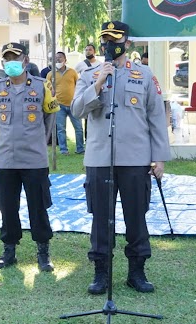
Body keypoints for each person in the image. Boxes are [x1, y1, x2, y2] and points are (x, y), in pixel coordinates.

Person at [71, 21, 171, 294]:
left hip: (135, 158)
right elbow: (77, 110)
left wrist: (159, 157)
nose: (108, 45)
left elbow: (156, 117)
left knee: (136, 217)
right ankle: (101, 273)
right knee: (101, 219)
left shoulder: (145, 74)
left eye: (115, 40)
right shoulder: (89, 74)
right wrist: (99, 83)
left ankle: (136, 272)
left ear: (127, 44)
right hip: (100, 159)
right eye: (105, 40)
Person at [0, 42, 60, 272]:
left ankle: (43, 251)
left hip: (34, 159)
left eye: (15, 57)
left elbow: (50, 118)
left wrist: (38, 141)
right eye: (7, 58)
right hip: (6, 159)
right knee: (7, 207)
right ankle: (9, 250)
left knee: (38, 206)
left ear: (25, 60)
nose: (11, 62)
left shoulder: (42, 86)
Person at [47, 51, 83, 155]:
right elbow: (47, 88)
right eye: (56, 58)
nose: (58, 59)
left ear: (65, 59)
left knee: (79, 128)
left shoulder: (72, 72)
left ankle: (80, 149)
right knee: (61, 129)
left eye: (60, 58)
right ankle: (63, 150)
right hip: (59, 106)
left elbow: (79, 85)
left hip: (73, 104)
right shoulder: (51, 74)